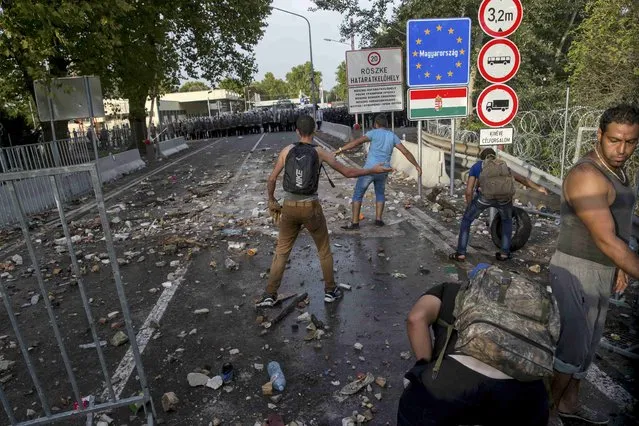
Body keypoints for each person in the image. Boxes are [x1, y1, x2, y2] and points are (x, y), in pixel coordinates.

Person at [548, 104, 639, 426]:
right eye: (615, 140)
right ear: (599, 135)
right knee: (570, 350)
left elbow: (617, 226)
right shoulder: (587, 175)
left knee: (587, 349)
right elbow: (605, 239)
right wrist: (627, 263)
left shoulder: (617, 170)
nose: (622, 149)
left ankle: (569, 406)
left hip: (602, 268)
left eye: (630, 142)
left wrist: (620, 267)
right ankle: (545, 414)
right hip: (578, 270)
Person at [255, 115, 392, 307]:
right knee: (323, 250)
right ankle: (330, 291)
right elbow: (348, 172)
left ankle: (270, 295)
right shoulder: (320, 152)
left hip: (288, 207)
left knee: (282, 251)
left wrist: (271, 200)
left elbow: (271, 179)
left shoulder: (287, 151)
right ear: (314, 132)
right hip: (311, 208)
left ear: (297, 131)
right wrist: (373, 170)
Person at [397, 265, 550, 426]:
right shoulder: (527, 308)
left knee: (415, 405)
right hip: (527, 393)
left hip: (455, 383)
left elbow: (415, 318)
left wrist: (424, 367)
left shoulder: (451, 291)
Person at [449, 147, 548, 262]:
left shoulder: (477, 166)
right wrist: (538, 188)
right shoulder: (503, 166)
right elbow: (522, 179)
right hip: (504, 199)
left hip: (484, 198)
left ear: (482, 158)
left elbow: (468, 190)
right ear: (494, 156)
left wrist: (470, 205)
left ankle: (461, 253)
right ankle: (504, 253)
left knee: (466, 221)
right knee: (506, 221)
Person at [336, 114, 422, 229]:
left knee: (358, 194)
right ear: (386, 124)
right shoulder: (392, 136)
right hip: (383, 170)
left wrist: (341, 150)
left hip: (369, 170)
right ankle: (378, 220)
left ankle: (355, 222)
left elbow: (357, 142)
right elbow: (405, 152)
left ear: (376, 124)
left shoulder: (373, 133)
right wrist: (416, 165)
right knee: (380, 193)